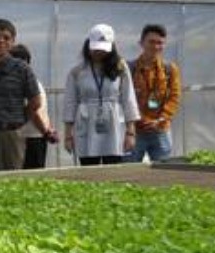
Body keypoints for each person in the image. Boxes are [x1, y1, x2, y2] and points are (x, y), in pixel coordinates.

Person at [0, 19, 49, 171]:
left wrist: (18, 120)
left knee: (9, 180)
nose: (1, 41)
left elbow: (35, 101)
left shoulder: (22, 68)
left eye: (6, 38)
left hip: (10, 134)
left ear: (13, 41)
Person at [63, 23, 140, 165]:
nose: (99, 52)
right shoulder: (77, 72)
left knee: (113, 166)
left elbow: (128, 99)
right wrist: (68, 134)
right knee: (88, 165)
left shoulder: (120, 69)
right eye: (95, 48)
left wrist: (130, 132)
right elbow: (70, 102)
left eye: (103, 49)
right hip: (86, 123)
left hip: (114, 123)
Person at [129, 24, 182, 162]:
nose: (156, 46)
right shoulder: (129, 68)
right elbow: (125, 98)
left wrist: (162, 118)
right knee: (128, 171)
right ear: (141, 43)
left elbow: (174, 97)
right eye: (151, 42)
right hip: (135, 130)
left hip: (161, 129)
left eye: (160, 43)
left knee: (163, 172)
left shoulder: (170, 69)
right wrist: (141, 119)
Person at [9, 44, 57, 169]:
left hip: (37, 135)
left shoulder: (32, 81)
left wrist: (48, 127)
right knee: (30, 173)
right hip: (28, 136)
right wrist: (46, 131)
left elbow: (42, 109)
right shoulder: (18, 83)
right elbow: (32, 111)